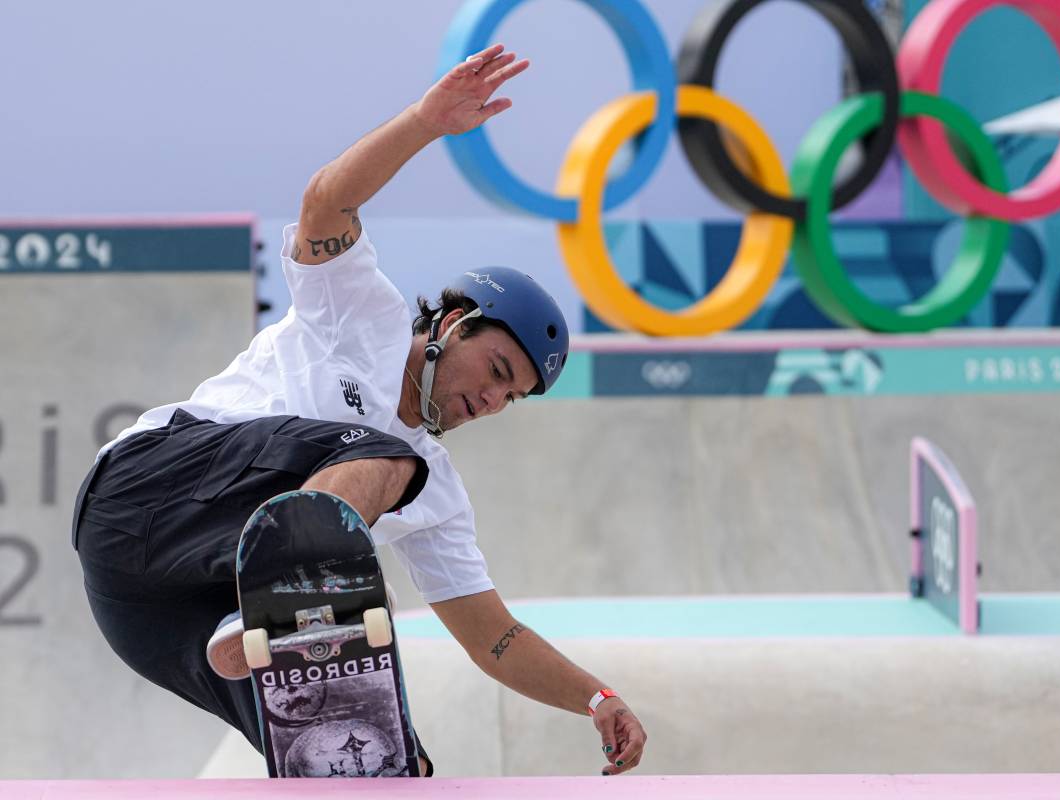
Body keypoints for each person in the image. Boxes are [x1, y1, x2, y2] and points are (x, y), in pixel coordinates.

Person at [72, 43, 647, 778]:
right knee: (387, 453)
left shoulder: (435, 493)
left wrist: (596, 698)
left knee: (379, 761)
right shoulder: (358, 313)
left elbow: (493, 638)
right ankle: (287, 594)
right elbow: (327, 203)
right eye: (497, 370)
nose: (494, 400)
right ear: (452, 324)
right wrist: (424, 122)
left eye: (513, 398)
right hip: (143, 492)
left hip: (156, 616)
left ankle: (274, 613)